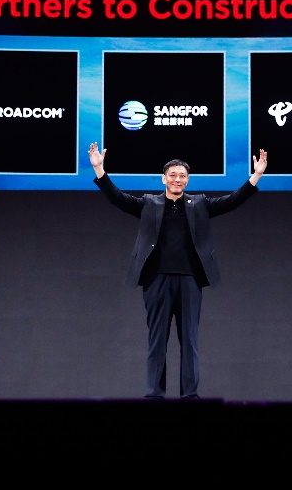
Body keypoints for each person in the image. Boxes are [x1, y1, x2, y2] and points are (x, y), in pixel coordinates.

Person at [88, 142, 268, 399]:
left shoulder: (200, 204)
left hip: (190, 280)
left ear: (187, 180)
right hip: (156, 279)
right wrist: (99, 169)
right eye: (172, 175)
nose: (177, 179)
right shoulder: (149, 203)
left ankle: (190, 395)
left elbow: (231, 201)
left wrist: (256, 175)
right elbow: (117, 198)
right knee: (157, 341)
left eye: (182, 176)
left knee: (190, 341)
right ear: (164, 179)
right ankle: (154, 394)